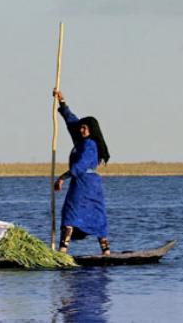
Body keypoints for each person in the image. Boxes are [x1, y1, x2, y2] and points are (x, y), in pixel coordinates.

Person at [53, 89, 111, 256]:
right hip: (89, 182)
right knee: (95, 214)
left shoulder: (89, 145)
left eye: (85, 128)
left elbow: (80, 165)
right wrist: (61, 102)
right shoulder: (82, 140)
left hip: (85, 183)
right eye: (82, 128)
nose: (81, 130)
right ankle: (105, 251)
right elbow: (72, 122)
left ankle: (63, 251)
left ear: (91, 130)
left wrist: (62, 178)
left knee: (70, 212)